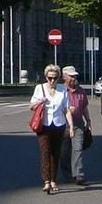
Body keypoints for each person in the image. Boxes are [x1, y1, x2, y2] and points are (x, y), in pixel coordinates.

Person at [29, 64, 72, 193]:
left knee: (56, 153)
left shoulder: (62, 89)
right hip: (44, 125)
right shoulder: (39, 88)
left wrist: (70, 126)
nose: (52, 81)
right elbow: (31, 106)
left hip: (59, 125)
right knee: (45, 152)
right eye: (49, 78)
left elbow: (66, 110)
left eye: (55, 78)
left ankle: (53, 180)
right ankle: (46, 181)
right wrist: (40, 101)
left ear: (58, 77)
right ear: (46, 77)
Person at [59, 66, 92, 186]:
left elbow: (84, 107)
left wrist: (88, 121)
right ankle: (68, 175)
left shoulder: (81, 91)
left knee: (77, 149)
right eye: (71, 76)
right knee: (64, 152)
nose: (74, 78)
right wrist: (66, 110)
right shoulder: (60, 90)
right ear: (64, 76)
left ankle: (78, 174)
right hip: (63, 124)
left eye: (75, 76)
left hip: (78, 123)